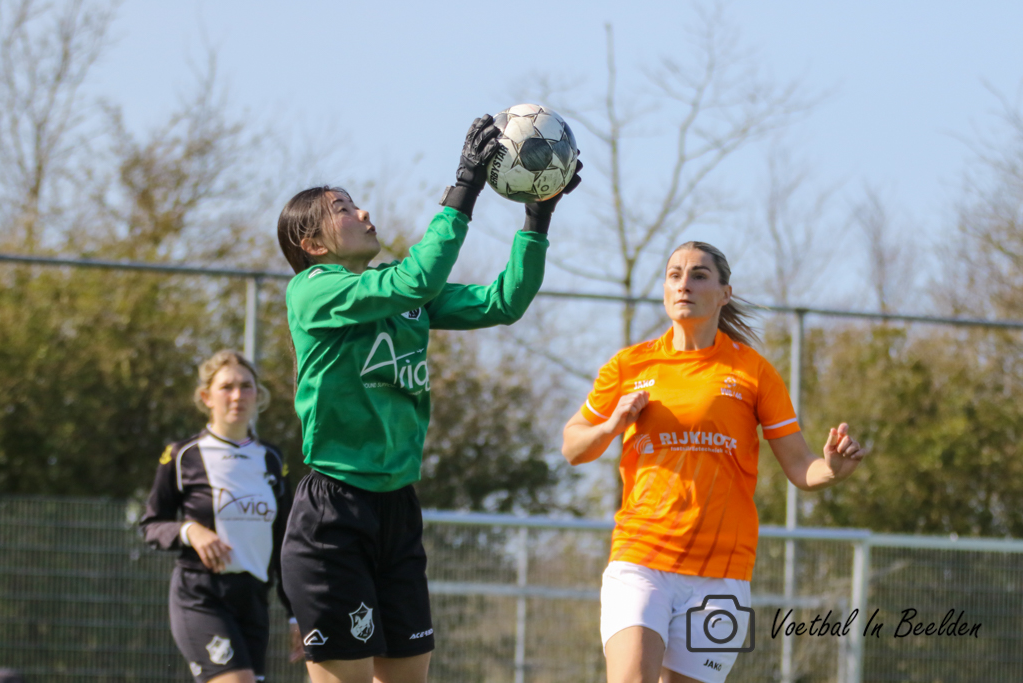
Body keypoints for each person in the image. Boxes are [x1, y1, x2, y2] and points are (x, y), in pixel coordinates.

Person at [275, 114, 580, 683]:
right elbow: (416, 279)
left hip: (397, 510)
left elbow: (503, 302)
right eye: (343, 209)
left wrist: (536, 220)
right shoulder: (312, 291)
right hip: (334, 513)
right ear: (312, 243)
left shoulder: (396, 289)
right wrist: (463, 188)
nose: (363, 212)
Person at [561, 242, 866, 683]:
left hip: (723, 576)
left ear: (725, 293)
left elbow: (802, 467)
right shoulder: (629, 366)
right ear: (665, 289)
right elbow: (573, 447)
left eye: (699, 275)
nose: (684, 284)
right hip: (641, 559)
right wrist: (611, 426)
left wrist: (833, 468)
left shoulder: (753, 372)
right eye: (674, 274)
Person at [140, 350, 302, 683]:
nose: (237, 395)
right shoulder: (182, 455)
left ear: (258, 395)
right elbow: (151, 525)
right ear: (206, 397)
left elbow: (286, 542)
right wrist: (190, 531)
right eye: (227, 387)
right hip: (201, 595)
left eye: (246, 386)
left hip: (254, 599)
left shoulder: (272, 458)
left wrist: (295, 614)